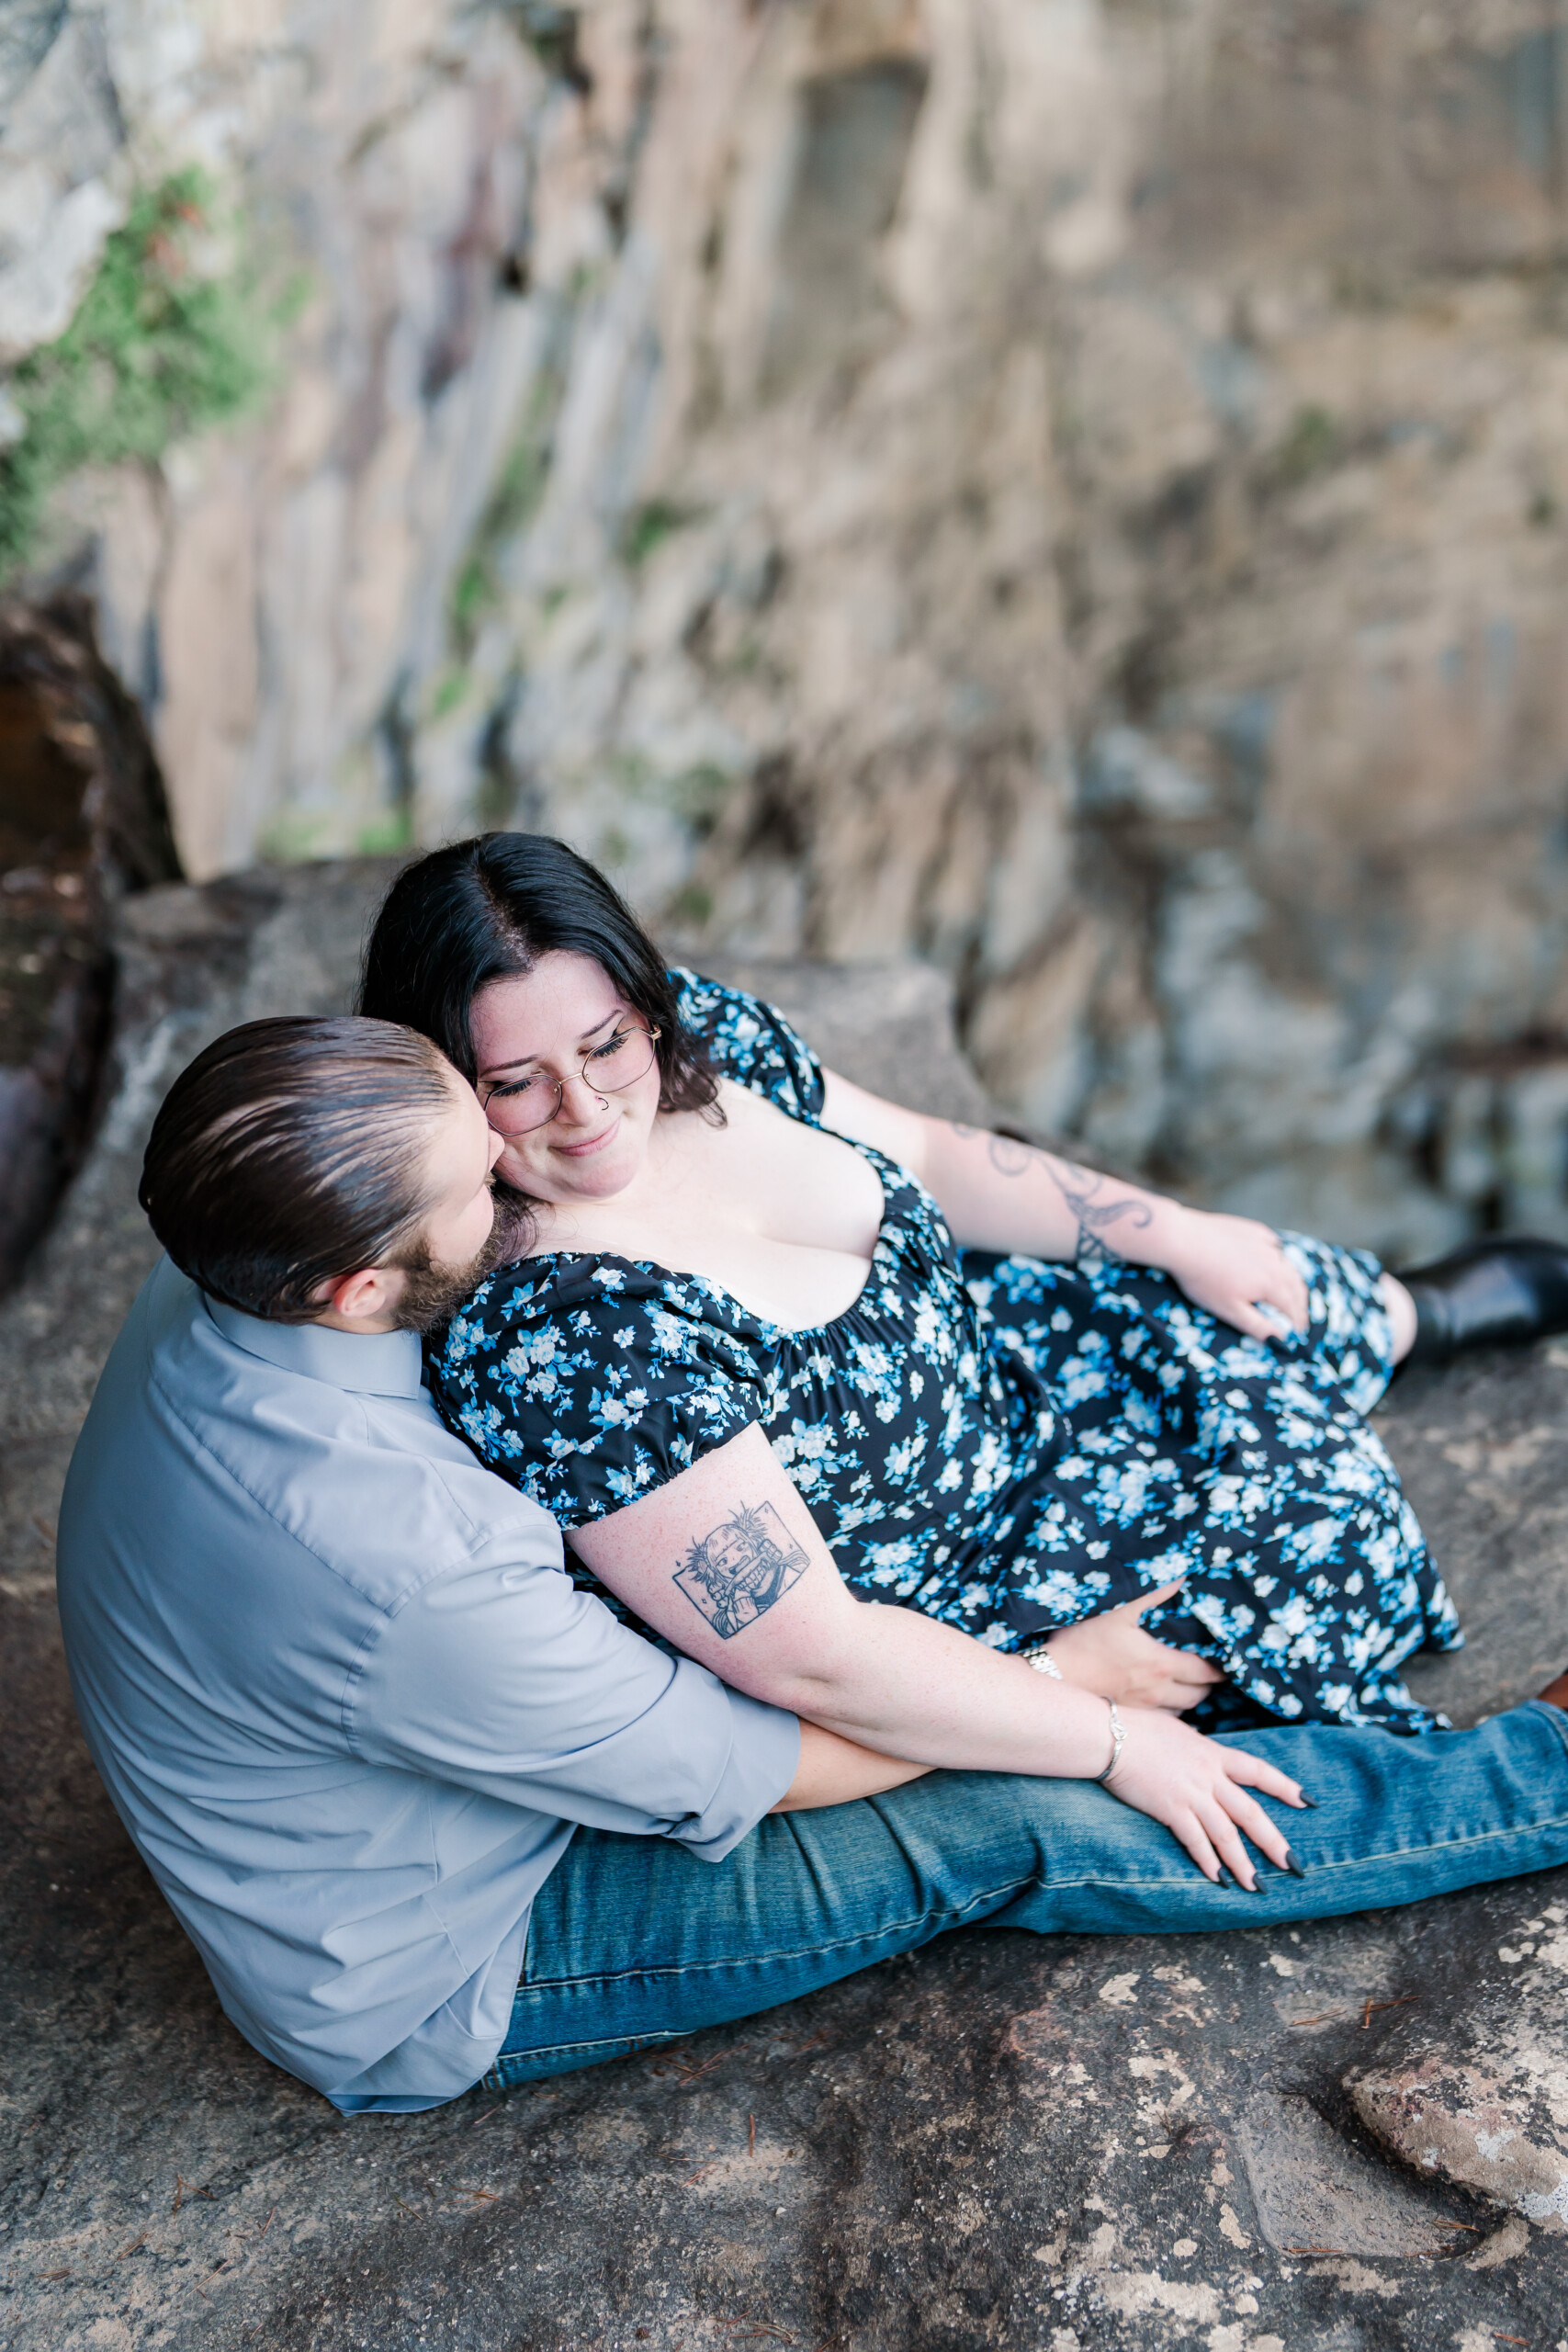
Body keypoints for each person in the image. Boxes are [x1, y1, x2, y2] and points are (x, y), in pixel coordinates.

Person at [53, 1012, 1568, 2112]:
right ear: (361, 1284)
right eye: (481, 1190)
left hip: (368, 1732)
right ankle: (1528, 1780)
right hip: (449, 1949)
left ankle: (1372, 1328)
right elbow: (760, 1756)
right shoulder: (412, 1563)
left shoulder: (227, 1259)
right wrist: (1067, 1696)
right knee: (1000, 1808)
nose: (524, 1170)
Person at [359, 831, 1568, 1741]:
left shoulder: (697, 1043)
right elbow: (804, 1660)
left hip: (994, 1344)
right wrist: (1069, 1702)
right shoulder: (572, 1347)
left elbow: (933, 1154)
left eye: (605, 1042)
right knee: (1327, 1526)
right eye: (517, 1082)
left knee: (1219, 1281)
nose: (587, 1109)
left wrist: (1175, 1230)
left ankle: (1404, 1318)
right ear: (442, 1086)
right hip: (961, 1572)